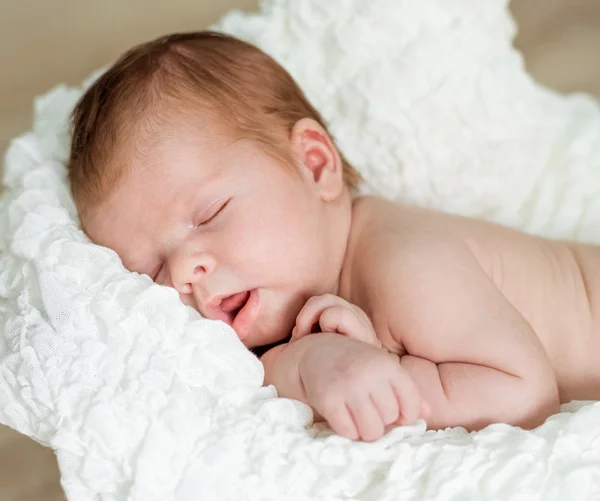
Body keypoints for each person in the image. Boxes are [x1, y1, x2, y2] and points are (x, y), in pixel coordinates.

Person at [67, 31, 600, 442]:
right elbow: (293, 376)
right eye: (153, 269)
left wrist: (379, 373)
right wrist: (314, 364)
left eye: (209, 215)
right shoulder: (276, 327)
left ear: (314, 163)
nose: (184, 273)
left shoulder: (402, 259)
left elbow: (524, 396)